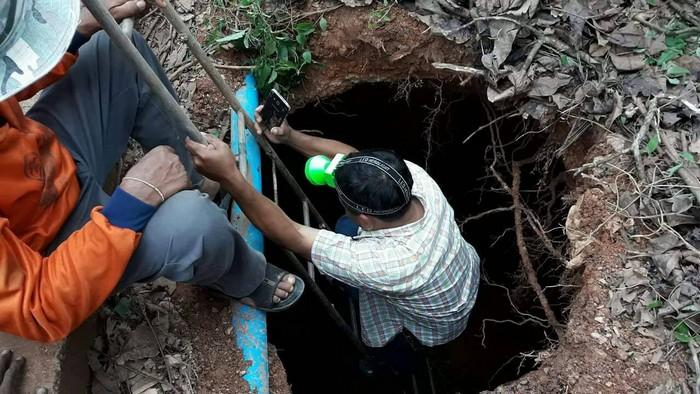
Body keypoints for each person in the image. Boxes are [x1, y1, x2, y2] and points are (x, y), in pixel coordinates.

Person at [0, 0, 303, 345]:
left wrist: (76, 32)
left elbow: (9, 74)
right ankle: (242, 276)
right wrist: (129, 208)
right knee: (196, 225)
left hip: (47, 155)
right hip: (52, 239)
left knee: (117, 50)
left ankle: (198, 174)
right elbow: (39, 308)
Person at [186, 106, 481, 372]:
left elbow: (294, 233)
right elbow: (353, 159)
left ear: (366, 220)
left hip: (428, 327)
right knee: (342, 226)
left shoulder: (388, 263)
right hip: (458, 273)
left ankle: (388, 368)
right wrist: (290, 136)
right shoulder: (413, 181)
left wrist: (230, 176)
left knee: (396, 356)